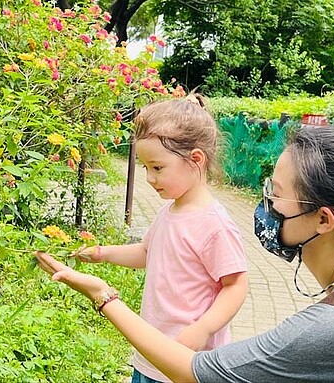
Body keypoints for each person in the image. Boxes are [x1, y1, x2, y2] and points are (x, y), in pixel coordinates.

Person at [36, 125, 334, 382]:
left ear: (324, 219)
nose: (266, 205)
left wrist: (103, 296)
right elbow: (148, 251)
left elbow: (197, 373)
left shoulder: (327, 330)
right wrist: (103, 253)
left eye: (275, 194)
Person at [74, 94, 248, 383]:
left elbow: (236, 285)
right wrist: (101, 253)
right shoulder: (170, 210)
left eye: (157, 167)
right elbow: (146, 252)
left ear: (195, 160)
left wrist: (203, 328)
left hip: (188, 361)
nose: (149, 178)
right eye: (145, 167)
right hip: (150, 354)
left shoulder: (214, 225)